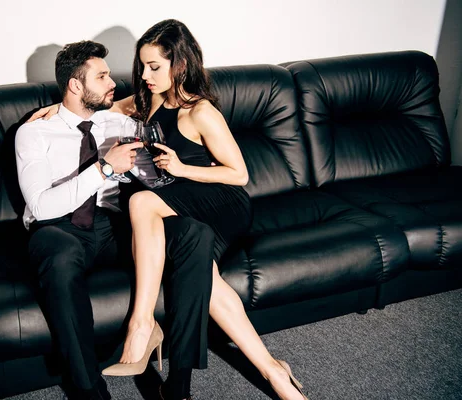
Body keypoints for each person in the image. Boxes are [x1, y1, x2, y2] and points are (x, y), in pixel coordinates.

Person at [29, 21, 308, 400]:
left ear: (179, 64)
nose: (144, 76)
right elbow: (91, 109)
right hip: (174, 201)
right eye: (142, 66)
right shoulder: (144, 100)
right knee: (208, 283)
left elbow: (239, 174)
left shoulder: (201, 110)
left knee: (140, 201)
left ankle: (141, 325)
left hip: (219, 200)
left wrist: (181, 169)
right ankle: (274, 372)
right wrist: (51, 107)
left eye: (154, 67)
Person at [16, 40, 216, 400]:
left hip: (112, 227)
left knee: (194, 234)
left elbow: (161, 117)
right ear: (76, 86)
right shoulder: (34, 133)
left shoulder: (120, 122)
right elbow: (42, 205)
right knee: (59, 257)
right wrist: (105, 167)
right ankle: (90, 391)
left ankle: (179, 385)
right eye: (103, 76)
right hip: (58, 230)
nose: (113, 82)